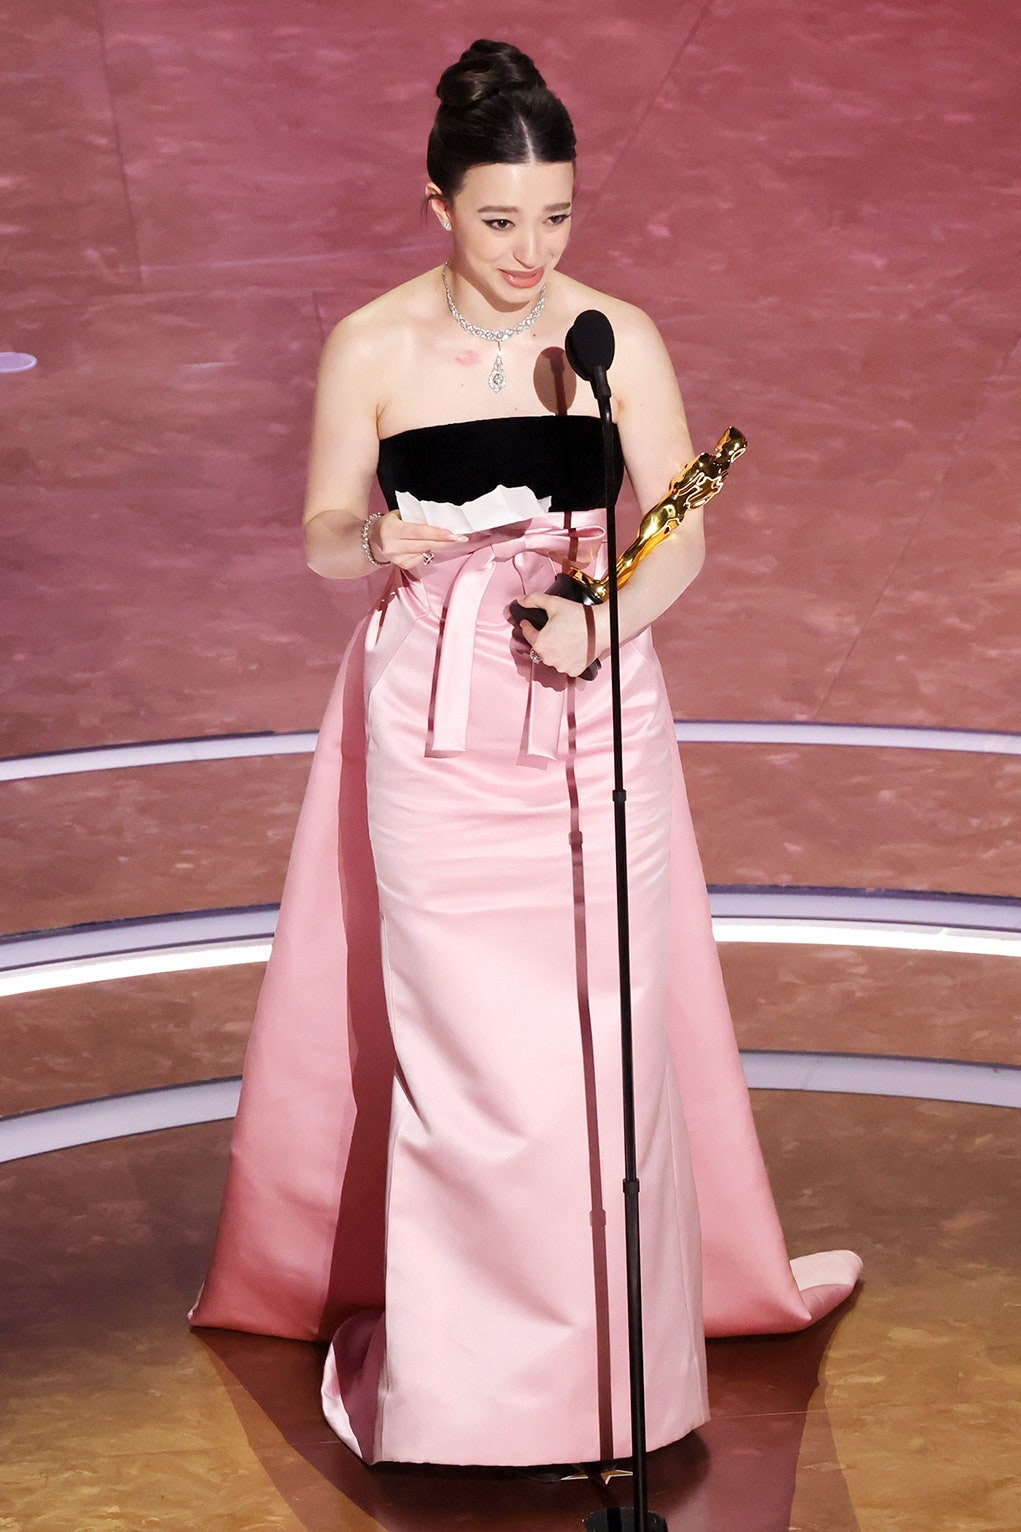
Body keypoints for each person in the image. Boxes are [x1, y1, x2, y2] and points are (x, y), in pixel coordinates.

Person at [189, 38, 861, 1469]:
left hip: (589, 714)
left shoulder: (613, 334)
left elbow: (682, 523)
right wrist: (371, 537)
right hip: (430, 721)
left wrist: (601, 615)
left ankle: (615, 1382)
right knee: (470, 1056)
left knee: (599, 1040)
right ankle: (469, 1396)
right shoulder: (369, 343)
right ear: (434, 205)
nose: (530, 249)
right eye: (499, 219)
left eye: (554, 216)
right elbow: (317, 530)